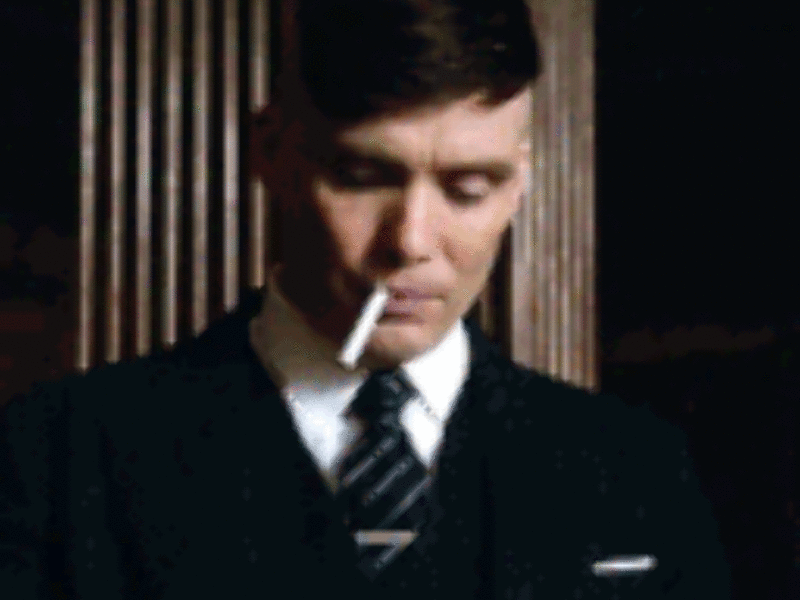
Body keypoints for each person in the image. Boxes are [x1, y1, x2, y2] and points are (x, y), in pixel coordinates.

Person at [0, 1, 731, 598]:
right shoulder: (56, 460)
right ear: (269, 152)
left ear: (520, 182)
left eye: (467, 189)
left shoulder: (637, 470)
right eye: (361, 177)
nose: (409, 242)